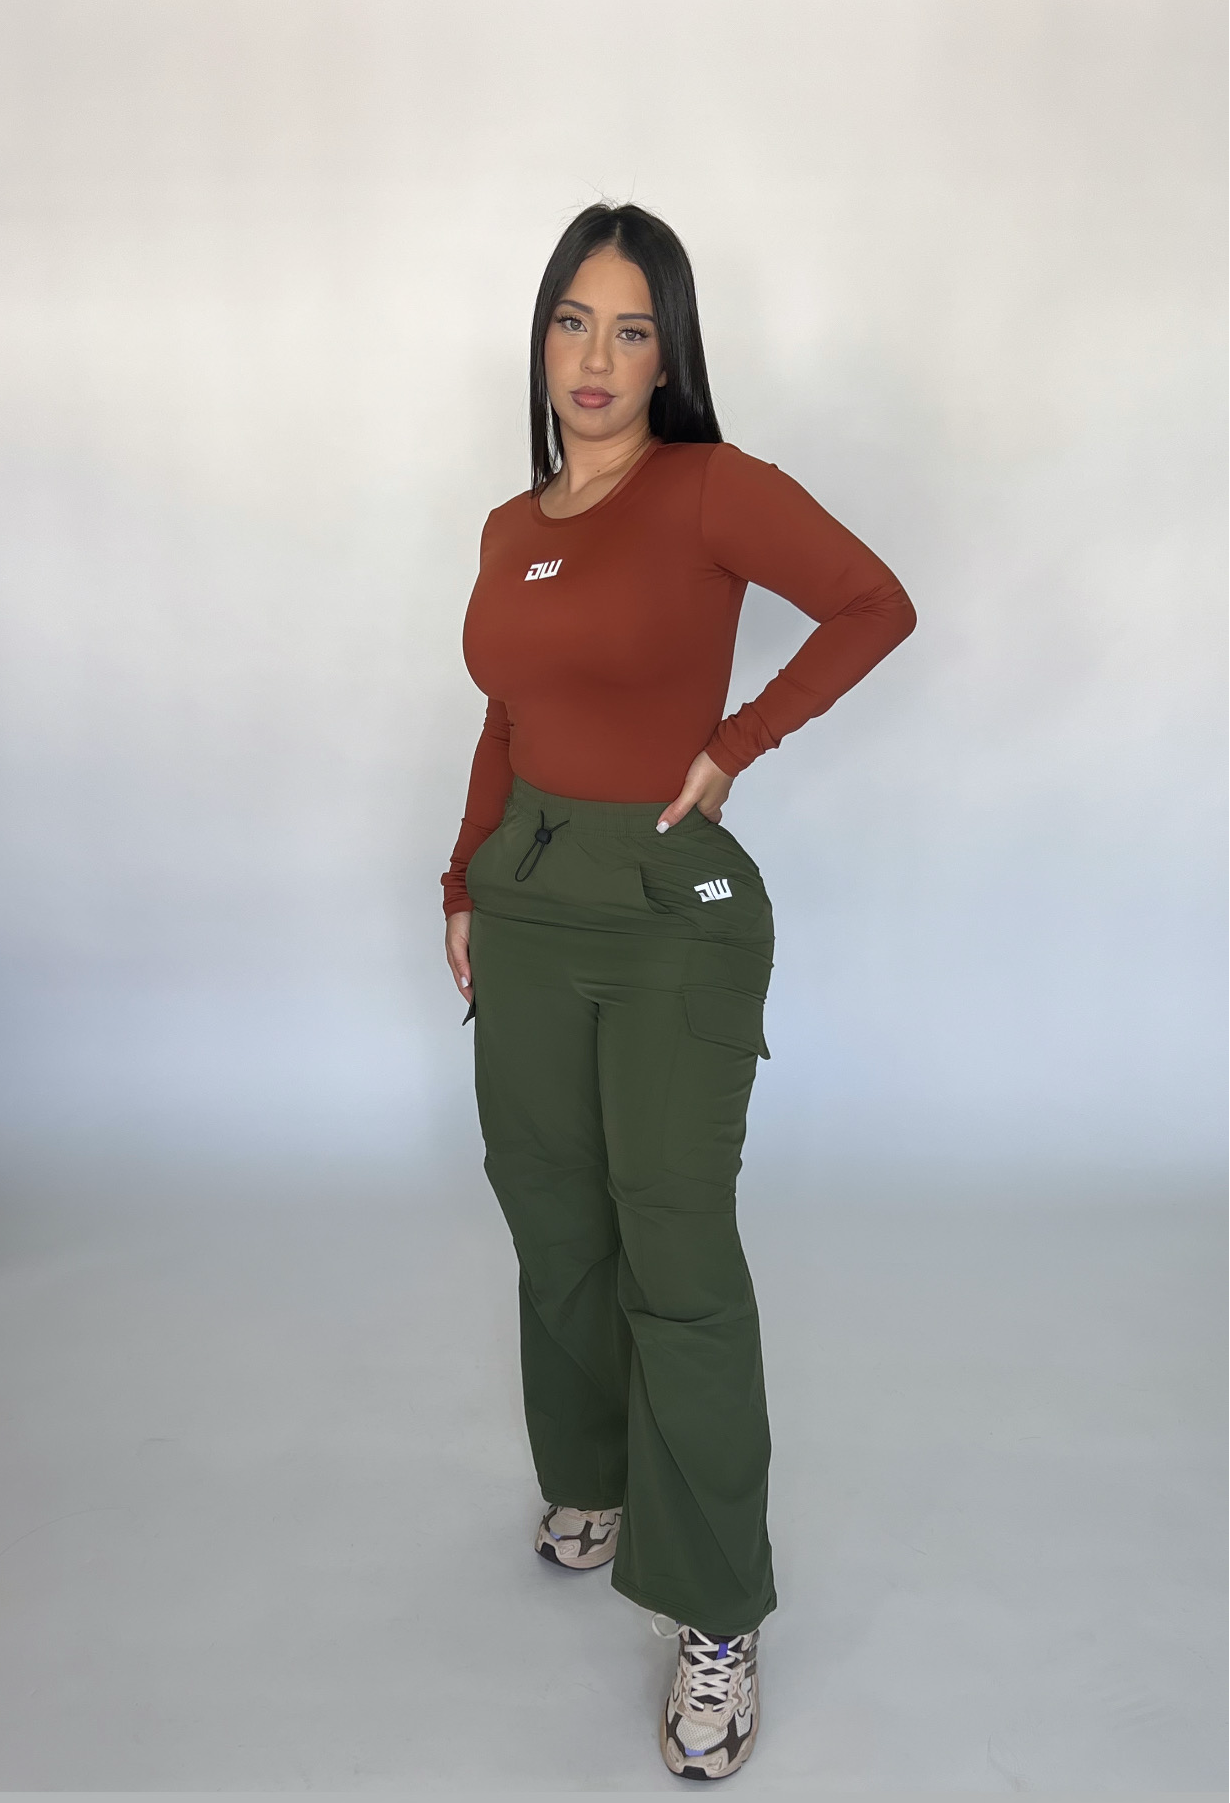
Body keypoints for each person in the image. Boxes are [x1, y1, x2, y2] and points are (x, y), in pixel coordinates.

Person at [441, 202, 915, 1782]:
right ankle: (592, 1476)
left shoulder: (712, 488)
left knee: (676, 1245)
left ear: (671, 353)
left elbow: (874, 601)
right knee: (553, 1210)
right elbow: (508, 712)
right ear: (541, 339)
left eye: (632, 328)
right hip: (526, 894)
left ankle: (716, 1609)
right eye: (573, 321)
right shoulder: (510, 526)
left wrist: (735, 744)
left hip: (665, 911)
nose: (596, 356)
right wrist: (461, 880)